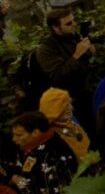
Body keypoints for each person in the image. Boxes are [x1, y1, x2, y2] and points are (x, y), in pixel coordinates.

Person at [35, 9, 94, 137]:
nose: (73, 25)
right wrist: (77, 55)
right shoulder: (46, 49)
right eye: (68, 23)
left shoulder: (72, 36)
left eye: (73, 21)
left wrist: (89, 50)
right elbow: (58, 77)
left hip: (87, 91)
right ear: (56, 28)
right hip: (70, 102)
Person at [7, 112, 77, 194]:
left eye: (19, 135)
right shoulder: (31, 147)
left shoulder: (50, 155)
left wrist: (18, 181)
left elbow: (45, 188)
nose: (14, 139)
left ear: (35, 133)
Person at [37, 89, 89, 161]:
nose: (71, 108)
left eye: (69, 104)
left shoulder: (72, 124)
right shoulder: (52, 143)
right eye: (65, 107)